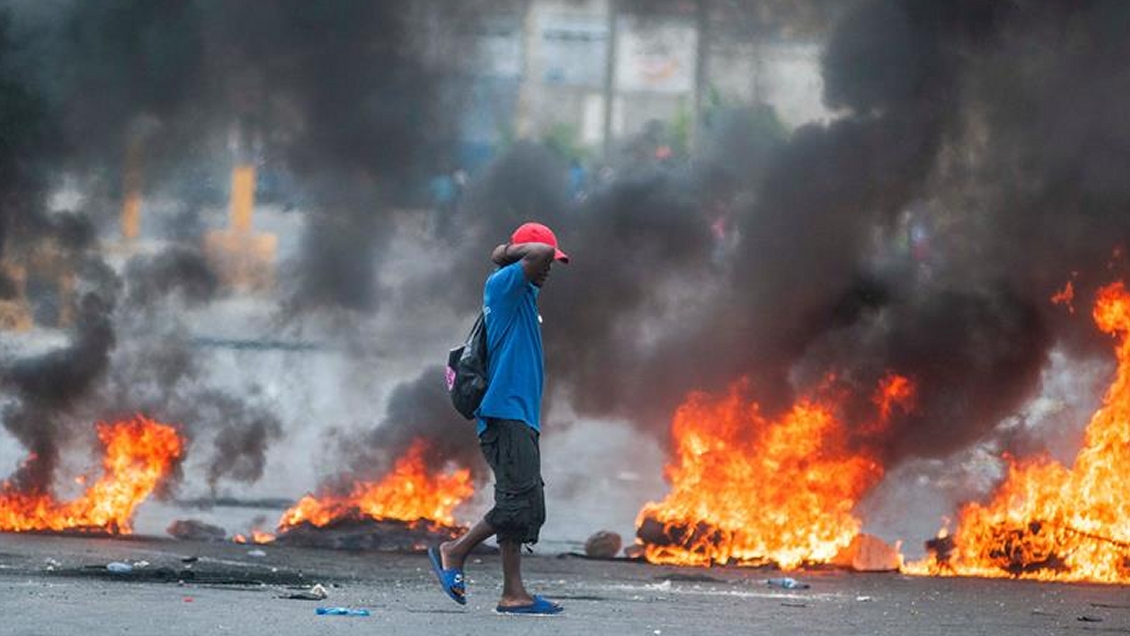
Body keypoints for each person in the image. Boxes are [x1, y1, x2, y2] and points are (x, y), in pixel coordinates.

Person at [428, 221, 569, 616]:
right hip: (505, 414)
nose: (549, 268)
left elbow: (538, 260)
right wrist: (506, 251)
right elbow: (532, 256)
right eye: (547, 259)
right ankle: (455, 551)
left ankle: (514, 593)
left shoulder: (521, 291)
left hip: (518, 415)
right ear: (524, 256)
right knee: (516, 503)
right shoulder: (504, 284)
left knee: (521, 503)